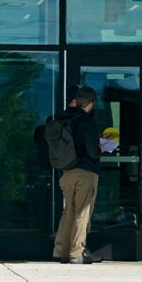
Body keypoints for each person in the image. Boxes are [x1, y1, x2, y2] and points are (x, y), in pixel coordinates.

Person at [48, 85, 104, 264]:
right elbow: (92, 152)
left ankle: (60, 250)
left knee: (68, 212)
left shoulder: (62, 118)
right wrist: (100, 148)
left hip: (66, 172)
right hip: (85, 171)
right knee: (82, 213)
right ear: (90, 103)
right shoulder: (86, 121)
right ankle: (76, 252)